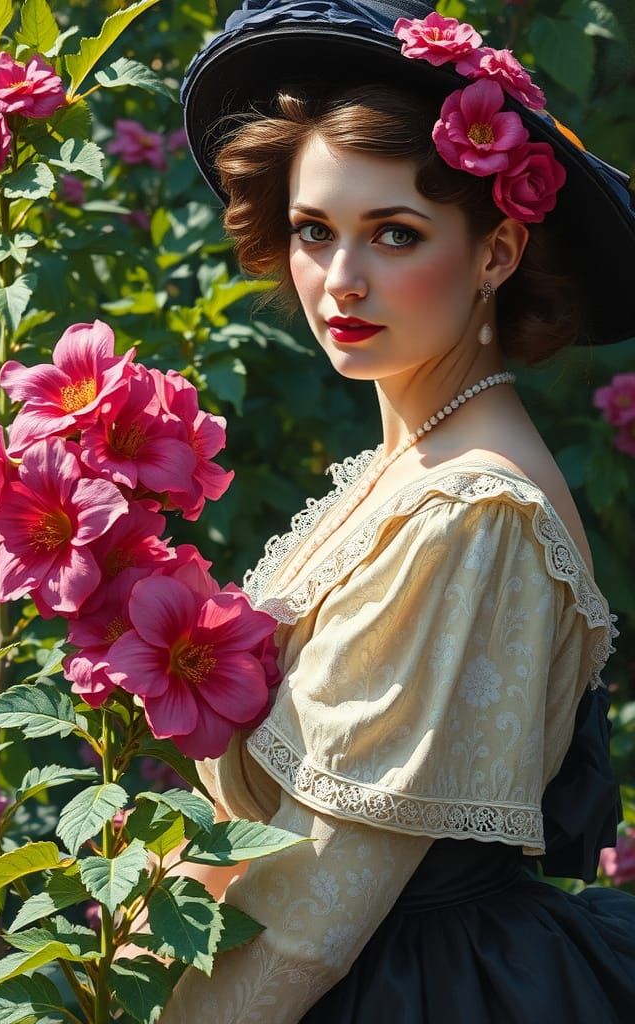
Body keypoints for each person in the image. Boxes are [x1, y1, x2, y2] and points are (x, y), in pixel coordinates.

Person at [158, 2, 635, 1020]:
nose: (342, 280)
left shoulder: (472, 510)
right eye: (314, 231)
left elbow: (313, 910)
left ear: (497, 254)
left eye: (395, 234)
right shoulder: (416, 464)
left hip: (402, 986)